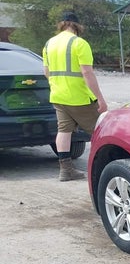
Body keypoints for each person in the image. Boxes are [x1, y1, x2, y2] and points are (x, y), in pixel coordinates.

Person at [42, 11, 108, 181]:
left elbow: (46, 72)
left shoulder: (49, 44)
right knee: (101, 131)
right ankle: (101, 170)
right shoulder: (79, 43)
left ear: (62, 24)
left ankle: (66, 170)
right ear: (77, 26)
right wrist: (100, 98)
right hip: (79, 98)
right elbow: (87, 73)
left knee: (63, 131)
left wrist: (59, 86)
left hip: (58, 96)